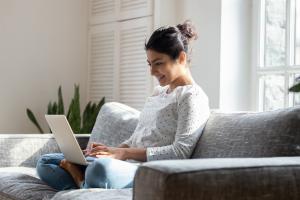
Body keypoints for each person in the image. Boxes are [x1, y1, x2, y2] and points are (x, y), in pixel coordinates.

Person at [36, 20, 210, 190]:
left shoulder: (192, 97)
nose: (152, 72)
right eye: (150, 64)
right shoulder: (158, 93)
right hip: (125, 165)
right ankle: (85, 184)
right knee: (46, 161)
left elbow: (180, 152)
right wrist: (110, 151)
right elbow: (135, 139)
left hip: (150, 171)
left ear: (181, 58)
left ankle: (81, 180)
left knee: (100, 170)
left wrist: (124, 154)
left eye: (158, 63)